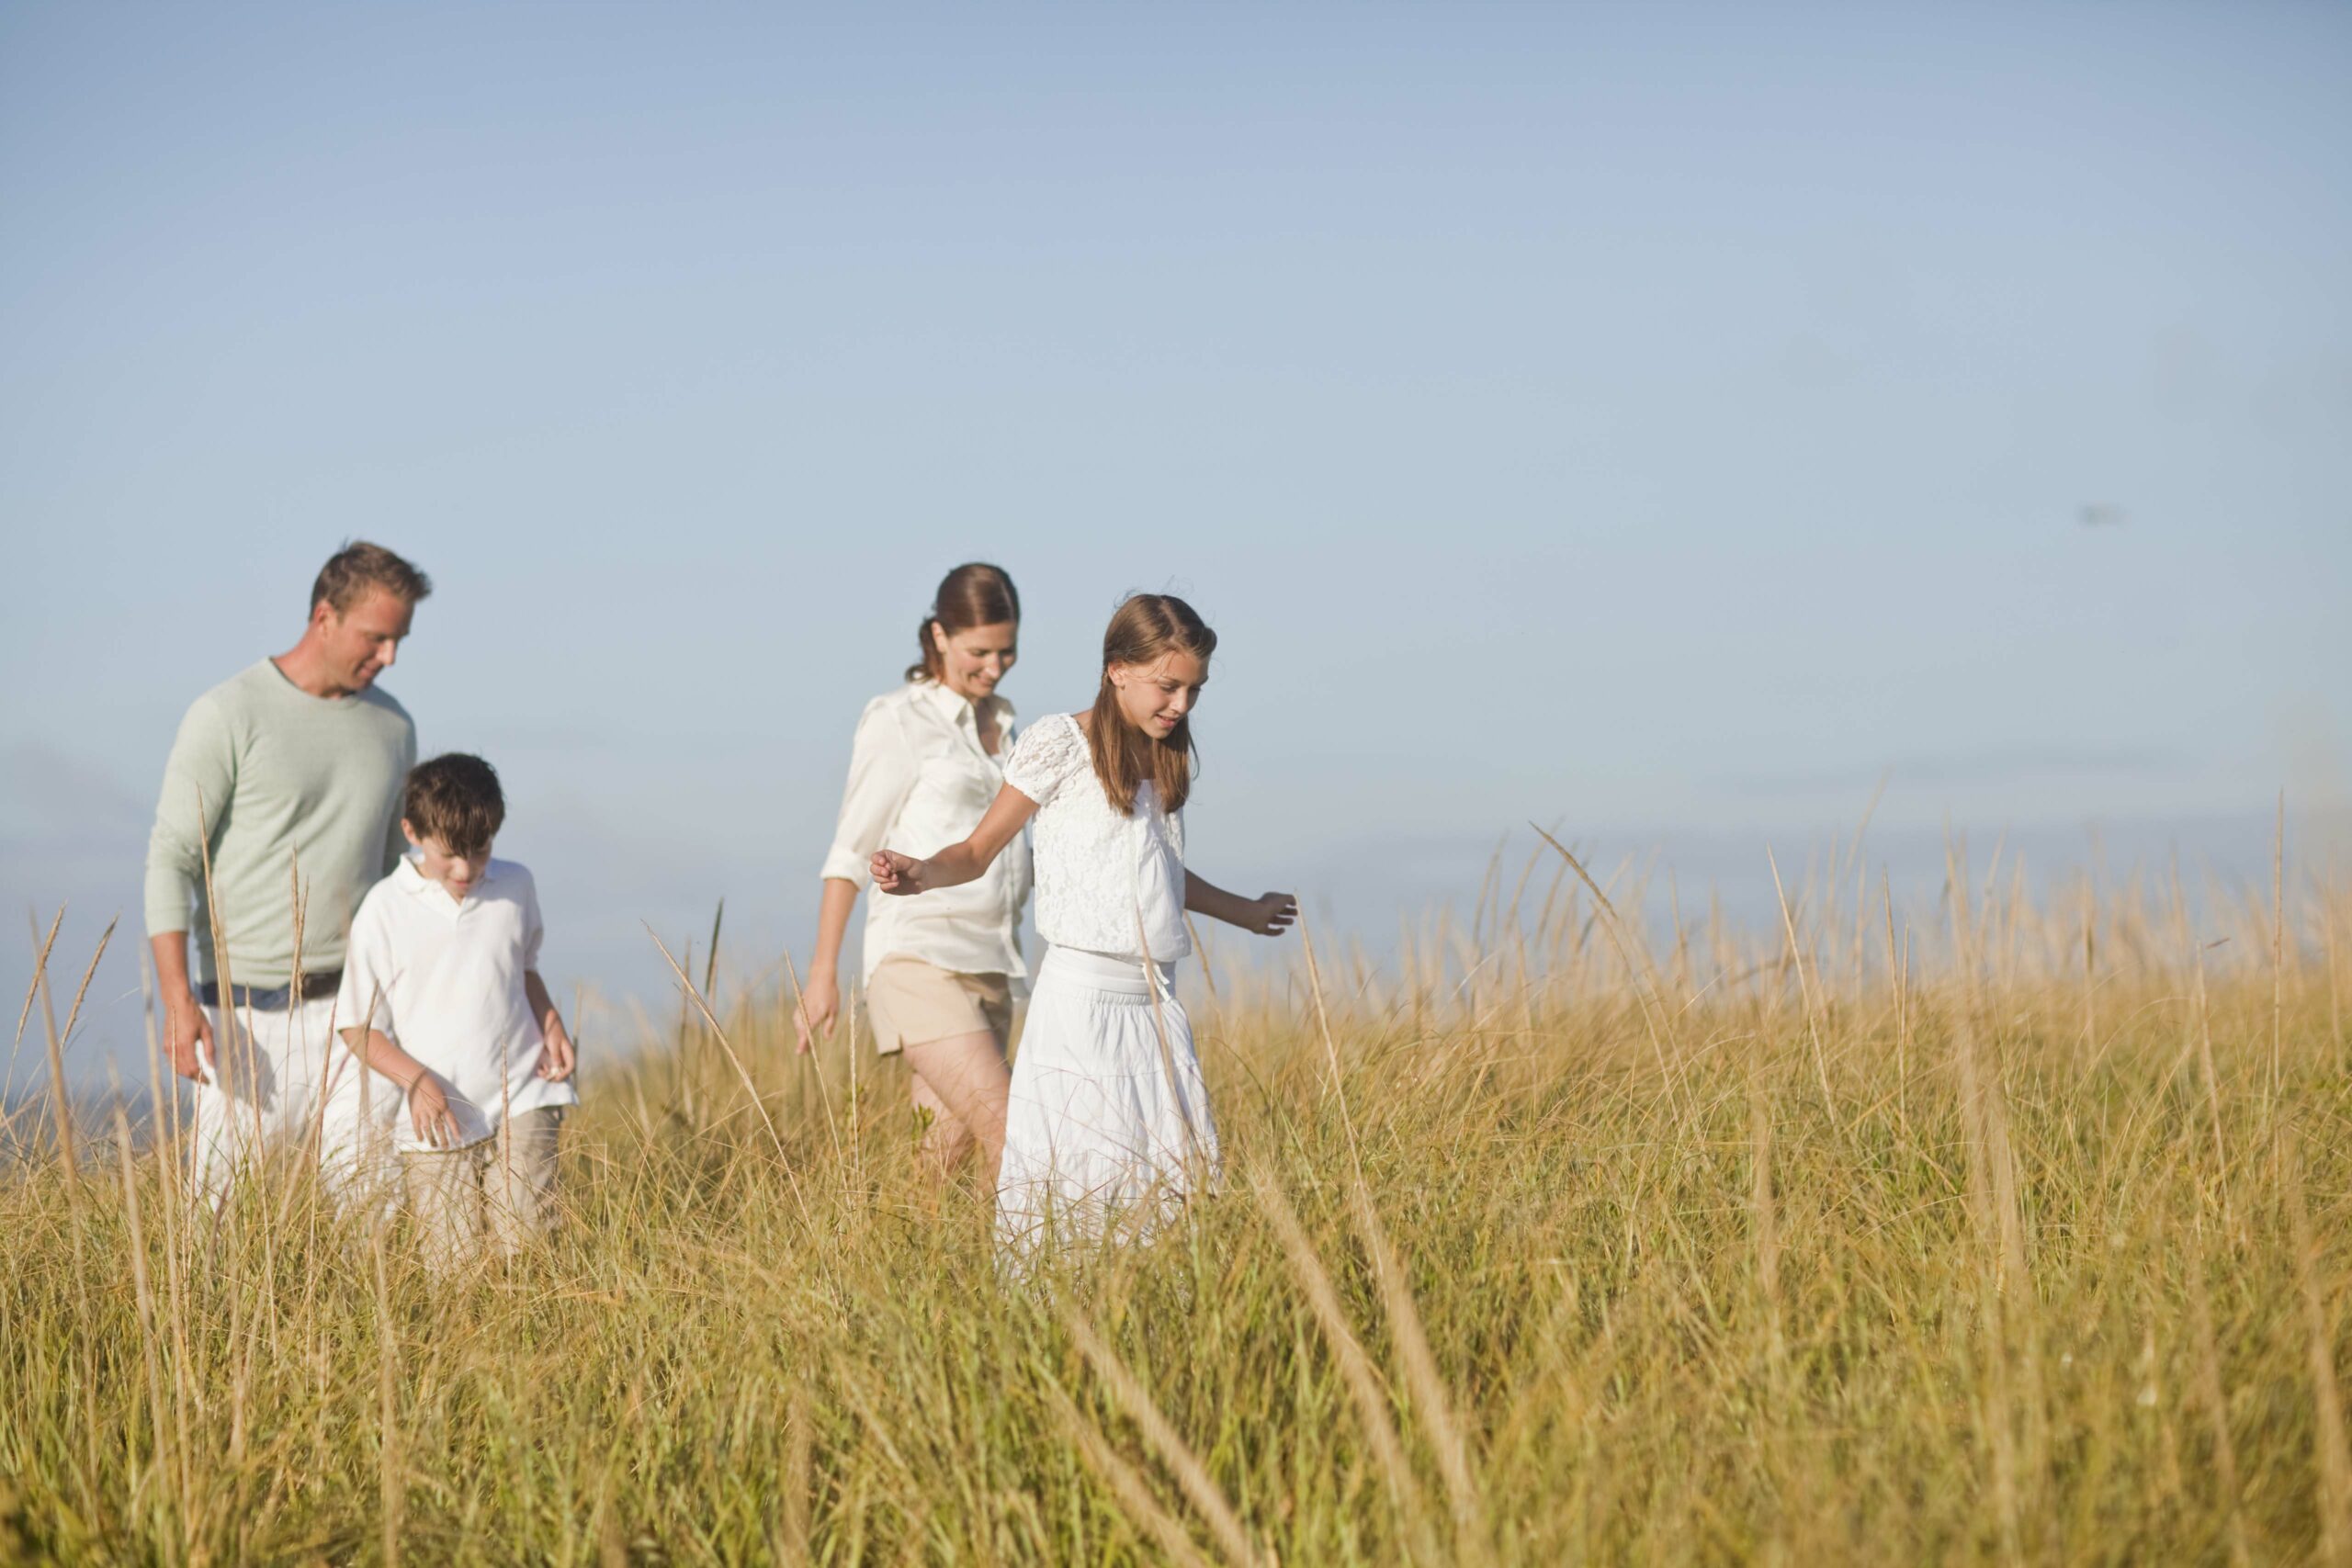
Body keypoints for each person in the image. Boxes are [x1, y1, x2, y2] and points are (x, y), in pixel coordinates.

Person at [872, 592, 1296, 1250]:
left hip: (1156, 1005)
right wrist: (921, 871)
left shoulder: (1165, 759)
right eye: (1168, 685)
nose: (1181, 705)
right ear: (1117, 667)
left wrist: (1245, 911)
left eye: (1193, 690)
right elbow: (978, 851)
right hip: (1080, 1007)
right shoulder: (1058, 744)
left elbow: (1160, 876)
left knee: (1170, 1190)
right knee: (1078, 1190)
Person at [144, 541, 430, 1203]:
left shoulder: (395, 727)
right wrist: (179, 998)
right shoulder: (226, 713)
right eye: (376, 636)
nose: (389, 656)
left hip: (357, 1013)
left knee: (373, 1217)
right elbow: (171, 858)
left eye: (399, 640)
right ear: (324, 616)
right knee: (211, 1221)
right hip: (244, 1017)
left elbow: (397, 875)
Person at [798, 563, 1032, 1179]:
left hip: (992, 964)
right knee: (1015, 1131)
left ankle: (927, 1272)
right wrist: (823, 973)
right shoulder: (898, 720)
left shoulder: (1010, 728)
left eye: (1006, 651)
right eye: (978, 651)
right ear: (938, 636)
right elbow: (850, 851)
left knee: (942, 1168)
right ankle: (1028, 1277)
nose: (994, 665)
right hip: (917, 958)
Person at [336, 754, 578, 1269]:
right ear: (411, 832)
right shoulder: (383, 908)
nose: (466, 869)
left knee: (528, 1243)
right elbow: (357, 1026)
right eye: (450, 854)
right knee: (455, 1269)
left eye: (481, 850)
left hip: (523, 1092)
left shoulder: (516, 886)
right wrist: (417, 1081)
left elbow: (524, 968)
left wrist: (550, 1021)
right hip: (438, 1113)